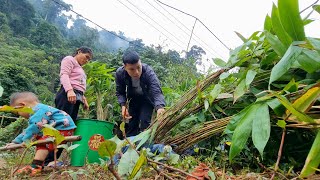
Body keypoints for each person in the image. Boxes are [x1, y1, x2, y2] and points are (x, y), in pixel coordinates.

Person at [6, 92, 76, 176]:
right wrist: (16, 142)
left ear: (22, 105)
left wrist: (22, 141)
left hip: (62, 128)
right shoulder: (39, 110)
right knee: (40, 142)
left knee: (42, 144)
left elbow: (33, 128)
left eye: (18, 113)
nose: (20, 116)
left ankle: (35, 167)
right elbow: (31, 130)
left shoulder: (39, 110)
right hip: (61, 128)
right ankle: (38, 165)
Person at [45, 46, 93, 165]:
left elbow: (79, 86)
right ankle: (47, 160)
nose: (86, 60)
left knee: (68, 128)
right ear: (79, 52)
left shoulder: (79, 68)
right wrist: (69, 91)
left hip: (75, 96)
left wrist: (83, 99)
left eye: (89, 59)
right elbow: (64, 75)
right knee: (61, 126)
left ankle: (53, 159)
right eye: (86, 57)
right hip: (67, 95)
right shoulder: (69, 59)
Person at [115, 50, 166, 137]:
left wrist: (160, 107)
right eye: (131, 69)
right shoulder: (120, 73)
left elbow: (156, 91)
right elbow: (120, 92)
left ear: (140, 62)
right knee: (132, 123)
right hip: (132, 99)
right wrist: (123, 105)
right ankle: (131, 146)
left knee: (144, 122)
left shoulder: (148, 72)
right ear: (125, 67)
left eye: (138, 67)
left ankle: (144, 146)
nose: (136, 72)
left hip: (146, 99)